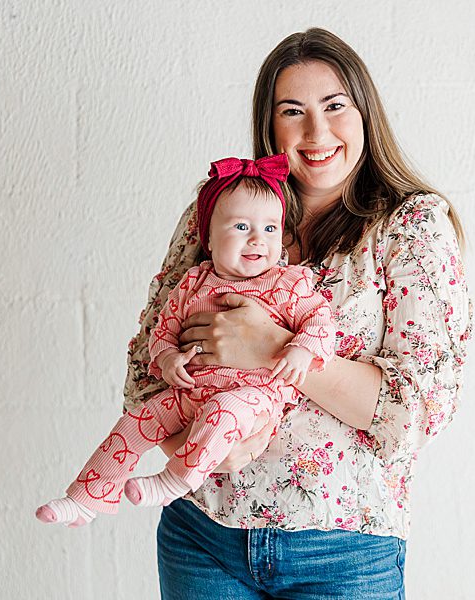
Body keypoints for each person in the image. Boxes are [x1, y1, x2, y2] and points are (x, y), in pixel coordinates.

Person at [124, 28, 473, 599]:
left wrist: (269, 346)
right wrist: (188, 447)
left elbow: (415, 412)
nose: (317, 133)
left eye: (335, 106)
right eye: (293, 112)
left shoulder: (409, 227)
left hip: (345, 548)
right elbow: (144, 366)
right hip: (203, 537)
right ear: (270, 125)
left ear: (365, 114)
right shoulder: (214, 212)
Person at [36, 153, 336, 526]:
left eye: (271, 228)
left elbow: (321, 321)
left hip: (252, 398)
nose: (259, 238)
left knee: (223, 411)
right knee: (135, 420)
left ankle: (174, 480)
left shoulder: (287, 283)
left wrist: (301, 350)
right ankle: (87, 495)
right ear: (208, 237)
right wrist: (167, 360)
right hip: (189, 392)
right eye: (242, 226)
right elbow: (161, 332)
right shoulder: (193, 282)